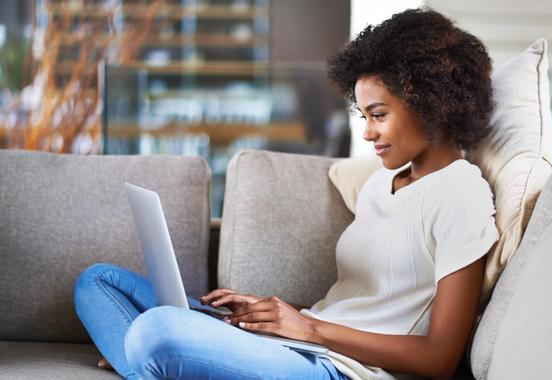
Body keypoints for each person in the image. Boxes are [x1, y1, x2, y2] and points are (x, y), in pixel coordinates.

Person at [74, 7, 498, 380]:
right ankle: (157, 365)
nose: (367, 132)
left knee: (154, 331)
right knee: (99, 282)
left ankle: (153, 360)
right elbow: (358, 304)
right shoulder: (379, 184)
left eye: (379, 115)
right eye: (363, 115)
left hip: (337, 368)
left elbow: (440, 359)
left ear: (432, 103)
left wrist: (310, 330)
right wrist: (274, 312)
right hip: (304, 340)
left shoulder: (461, 193)